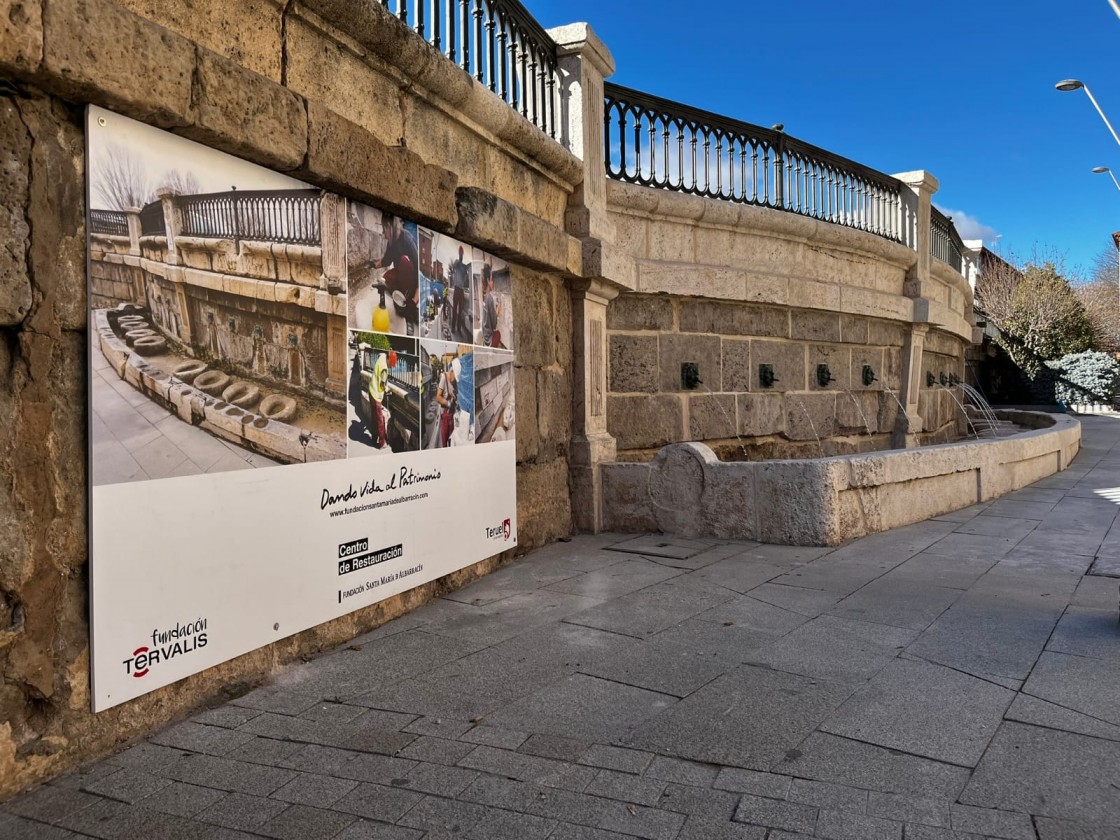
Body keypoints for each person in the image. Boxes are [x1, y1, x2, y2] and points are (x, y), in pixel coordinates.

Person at [374, 215, 418, 311]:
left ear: (389, 227)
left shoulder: (407, 240)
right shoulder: (391, 242)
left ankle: (406, 297)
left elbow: (418, 272)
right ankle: (399, 294)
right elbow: (386, 261)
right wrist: (372, 265)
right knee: (385, 278)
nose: (383, 233)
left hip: (412, 283)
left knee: (404, 260)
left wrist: (414, 301)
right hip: (400, 277)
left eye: (384, 229)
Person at [367, 351, 390, 448]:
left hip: (371, 390)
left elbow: (382, 353)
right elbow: (382, 384)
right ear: (388, 359)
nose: (391, 365)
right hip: (376, 394)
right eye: (391, 363)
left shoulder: (381, 358)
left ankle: (373, 438)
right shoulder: (384, 368)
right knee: (380, 419)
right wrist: (387, 389)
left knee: (374, 417)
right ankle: (382, 442)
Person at [436, 356, 459, 448]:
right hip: (444, 416)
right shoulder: (444, 377)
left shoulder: (455, 381)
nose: (455, 380)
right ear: (451, 371)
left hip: (452, 416)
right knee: (444, 441)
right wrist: (448, 404)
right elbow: (438, 397)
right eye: (455, 377)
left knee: (452, 439)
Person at [449, 246, 469, 338]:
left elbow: (466, 277)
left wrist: (466, 270)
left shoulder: (464, 267)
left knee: (460, 312)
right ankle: (453, 328)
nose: (461, 255)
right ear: (459, 253)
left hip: (461, 290)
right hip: (456, 289)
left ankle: (459, 329)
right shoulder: (457, 262)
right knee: (454, 310)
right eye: (460, 253)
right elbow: (454, 267)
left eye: (462, 253)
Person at [480, 261, 501, 348]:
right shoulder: (490, 298)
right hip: (489, 338)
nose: (493, 282)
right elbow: (494, 324)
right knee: (499, 334)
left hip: (485, 335)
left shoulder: (485, 296)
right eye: (492, 280)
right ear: (488, 281)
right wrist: (497, 311)